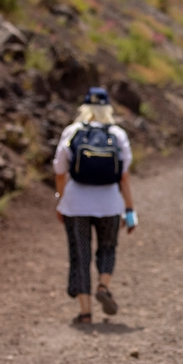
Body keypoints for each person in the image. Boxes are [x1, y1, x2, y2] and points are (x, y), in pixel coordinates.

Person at [53, 88, 137, 324]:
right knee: (108, 248)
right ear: (108, 108)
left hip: (75, 204)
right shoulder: (117, 135)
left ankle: (85, 311)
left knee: (80, 255)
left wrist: (60, 199)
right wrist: (129, 210)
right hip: (110, 204)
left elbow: (59, 171)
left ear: (84, 108)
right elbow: (124, 177)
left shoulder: (72, 132)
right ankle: (103, 285)